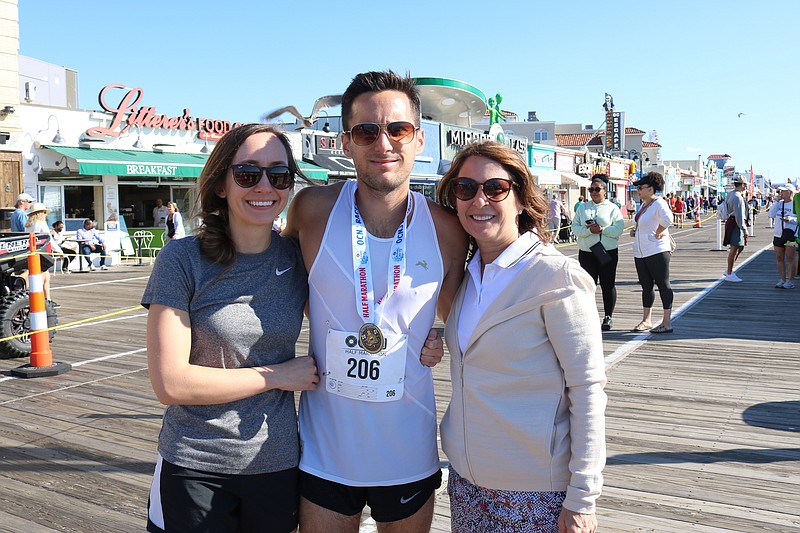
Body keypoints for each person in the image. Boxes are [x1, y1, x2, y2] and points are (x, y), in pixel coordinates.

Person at [283, 70, 467, 533]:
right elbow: (281, 284)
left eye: (397, 129)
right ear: (346, 142)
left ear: (419, 139)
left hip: (407, 449)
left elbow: (462, 312)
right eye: (366, 131)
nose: (382, 143)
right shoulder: (312, 209)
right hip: (326, 449)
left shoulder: (446, 228)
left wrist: (437, 335)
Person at [142, 124, 320, 533]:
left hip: (275, 463)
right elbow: (170, 383)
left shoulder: (297, 257)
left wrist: (418, 341)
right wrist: (276, 376)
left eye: (278, 175)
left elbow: (351, 316)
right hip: (195, 464)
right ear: (222, 183)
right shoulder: (182, 259)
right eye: (247, 174)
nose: (264, 186)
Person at [436, 141, 606, 532]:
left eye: (494, 188)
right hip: (466, 485)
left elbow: (588, 389)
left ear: (521, 197)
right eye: (465, 189)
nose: (479, 199)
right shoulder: (468, 278)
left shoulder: (556, 278)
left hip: (534, 493)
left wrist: (582, 496)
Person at [572, 174, 626, 331]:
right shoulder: (583, 207)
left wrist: (602, 229)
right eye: (591, 189)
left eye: (597, 189)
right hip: (587, 252)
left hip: (607, 251)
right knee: (587, 285)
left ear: (605, 190)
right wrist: (590, 231)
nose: (594, 192)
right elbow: (575, 227)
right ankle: (588, 316)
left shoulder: (612, 208)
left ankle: (608, 316)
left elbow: (618, 229)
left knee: (607, 285)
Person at [630, 172, 674, 334]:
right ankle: (646, 320)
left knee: (663, 284)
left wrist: (658, 232)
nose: (638, 190)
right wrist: (636, 231)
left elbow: (668, 219)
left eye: (641, 188)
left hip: (657, 250)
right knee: (646, 286)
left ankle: (666, 322)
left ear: (651, 189)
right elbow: (645, 222)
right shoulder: (644, 205)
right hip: (641, 252)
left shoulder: (659, 203)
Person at [767, 185, 797, 289]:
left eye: (784, 191)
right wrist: (776, 202)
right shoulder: (779, 204)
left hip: (790, 235)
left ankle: (790, 280)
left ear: (790, 192)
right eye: (781, 191)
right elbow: (771, 214)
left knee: (790, 258)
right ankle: (782, 279)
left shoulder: (795, 204)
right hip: (778, 234)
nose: (781, 193)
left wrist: (791, 220)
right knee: (779, 257)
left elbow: (799, 220)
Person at [24, 203, 54, 302]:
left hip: (31, 252)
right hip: (41, 253)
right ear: (40, 213)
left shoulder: (28, 225)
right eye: (45, 212)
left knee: (46, 276)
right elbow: (49, 239)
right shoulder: (41, 224)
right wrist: (60, 251)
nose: (46, 214)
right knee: (41, 277)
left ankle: (47, 299)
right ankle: (40, 299)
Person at [722, 176, 750, 282]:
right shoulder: (737, 197)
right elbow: (739, 216)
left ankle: (729, 269)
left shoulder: (730, 194)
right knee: (735, 247)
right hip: (736, 223)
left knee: (740, 246)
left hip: (732, 221)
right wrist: (744, 229)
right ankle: (729, 272)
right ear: (742, 184)